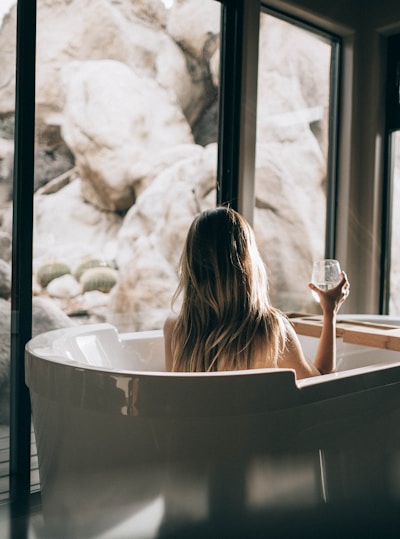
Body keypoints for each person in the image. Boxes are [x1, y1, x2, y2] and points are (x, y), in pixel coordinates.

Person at [163, 206, 350, 379]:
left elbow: (175, 398)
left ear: (191, 265)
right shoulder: (271, 331)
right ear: (247, 263)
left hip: (200, 417)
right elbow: (320, 388)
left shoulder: (175, 329)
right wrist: (330, 312)